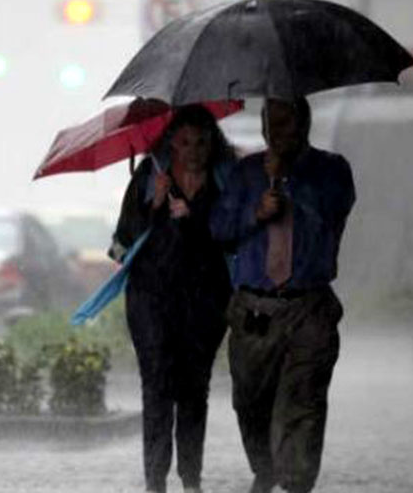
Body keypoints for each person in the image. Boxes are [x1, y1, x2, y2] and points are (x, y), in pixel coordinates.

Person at [210, 96, 355, 493]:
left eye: (287, 121)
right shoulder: (245, 174)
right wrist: (256, 213)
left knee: (303, 403)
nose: (278, 131)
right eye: (271, 123)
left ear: (304, 124)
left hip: (308, 306)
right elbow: (220, 230)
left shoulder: (331, 170)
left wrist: (292, 186)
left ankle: (295, 481)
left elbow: (332, 214)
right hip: (254, 308)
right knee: (251, 402)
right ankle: (266, 469)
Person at [109, 104, 236, 493]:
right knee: (158, 384)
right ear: (171, 144)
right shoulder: (150, 176)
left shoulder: (226, 181)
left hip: (205, 300)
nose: (194, 150)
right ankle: (155, 480)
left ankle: (191, 479)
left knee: (194, 387)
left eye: (202, 142)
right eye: (184, 142)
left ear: (213, 143)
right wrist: (153, 205)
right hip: (151, 299)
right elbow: (119, 246)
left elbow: (234, 234)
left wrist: (193, 218)